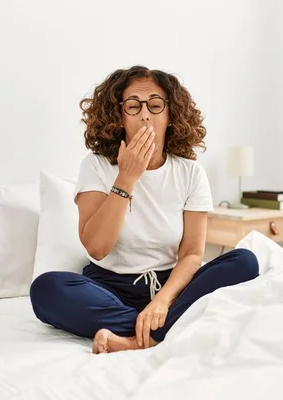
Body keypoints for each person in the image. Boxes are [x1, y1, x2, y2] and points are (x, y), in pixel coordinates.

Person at [29, 65, 259, 354]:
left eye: (155, 105)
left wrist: (162, 301)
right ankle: (163, 331)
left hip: (171, 287)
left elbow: (190, 255)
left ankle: (139, 338)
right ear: (119, 116)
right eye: (133, 106)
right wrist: (127, 177)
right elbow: (97, 248)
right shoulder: (96, 166)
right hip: (109, 288)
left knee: (245, 262)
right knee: (46, 289)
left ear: (170, 115)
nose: (145, 114)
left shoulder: (191, 173)